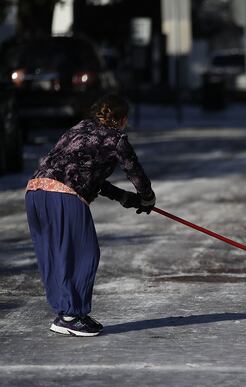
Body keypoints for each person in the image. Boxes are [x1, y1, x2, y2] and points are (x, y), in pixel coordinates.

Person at [25, 93, 156, 337]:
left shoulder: (79, 128)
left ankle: (70, 313)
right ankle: (70, 315)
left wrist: (123, 197)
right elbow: (134, 170)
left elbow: (84, 173)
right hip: (64, 196)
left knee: (56, 253)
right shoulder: (116, 138)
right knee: (84, 253)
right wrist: (147, 196)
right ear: (123, 119)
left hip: (35, 191)